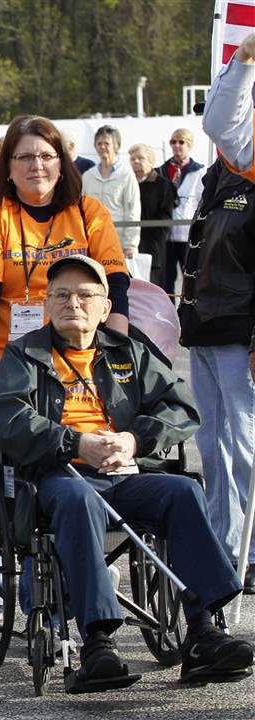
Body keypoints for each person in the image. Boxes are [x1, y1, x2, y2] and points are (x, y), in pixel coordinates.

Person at [0, 253, 253, 687]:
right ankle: (97, 641)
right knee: (78, 498)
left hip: (126, 471)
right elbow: (2, 418)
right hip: (61, 477)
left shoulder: (129, 351)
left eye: (86, 295)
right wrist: (76, 443)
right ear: (47, 304)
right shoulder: (24, 353)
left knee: (183, 491)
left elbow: (180, 406)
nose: (74, 303)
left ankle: (204, 632)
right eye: (62, 295)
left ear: (106, 308)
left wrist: (134, 440)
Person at [0, 114, 130, 385]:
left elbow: (116, 287)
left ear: (61, 164)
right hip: (9, 364)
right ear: (9, 168)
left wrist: (119, 349)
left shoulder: (89, 213)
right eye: (24, 157)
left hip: (82, 364)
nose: (36, 166)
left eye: (46, 156)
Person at [194, 30, 255, 592]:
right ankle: (223, 548)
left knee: (244, 451)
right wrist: (242, 57)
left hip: (244, 332)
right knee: (215, 451)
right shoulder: (220, 173)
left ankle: (248, 553)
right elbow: (219, 120)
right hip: (207, 328)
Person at [81, 125, 140, 259]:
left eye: (106, 143)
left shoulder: (126, 175)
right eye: (99, 143)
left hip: (117, 241)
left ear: (116, 146)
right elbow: (81, 209)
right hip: (91, 239)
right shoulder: (88, 176)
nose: (102, 147)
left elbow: (133, 211)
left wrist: (130, 244)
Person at [160, 128, 205, 295]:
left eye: (181, 142)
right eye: (173, 142)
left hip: (188, 234)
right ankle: (168, 315)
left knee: (191, 276)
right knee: (166, 280)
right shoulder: (161, 170)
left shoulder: (199, 171)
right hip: (166, 235)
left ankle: (190, 312)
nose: (176, 145)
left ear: (189, 145)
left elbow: (203, 201)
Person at [128, 143, 176, 289]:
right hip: (128, 245)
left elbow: (165, 217)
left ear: (151, 161)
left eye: (140, 158)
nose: (135, 162)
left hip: (152, 247)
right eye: (132, 158)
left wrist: (154, 239)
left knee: (153, 289)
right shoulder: (127, 183)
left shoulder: (162, 185)